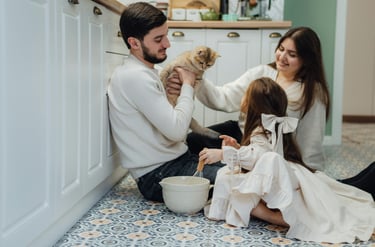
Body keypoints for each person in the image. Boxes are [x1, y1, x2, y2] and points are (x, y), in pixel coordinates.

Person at [167, 26, 375, 197]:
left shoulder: (312, 92)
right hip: (244, 135)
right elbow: (223, 98)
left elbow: (310, 140)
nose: (282, 57)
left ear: (306, 60)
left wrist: (310, 174)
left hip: (275, 149)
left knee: (331, 190)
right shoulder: (262, 72)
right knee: (195, 140)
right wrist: (195, 77)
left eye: (291, 54)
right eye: (281, 48)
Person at [199, 77, 375, 243]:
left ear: (253, 104)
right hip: (287, 172)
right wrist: (237, 148)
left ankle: (275, 216)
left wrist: (223, 154)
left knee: (229, 179)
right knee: (233, 177)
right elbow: (258, 152)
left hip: (281, 174)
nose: (242, 98)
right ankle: (268, 212)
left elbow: (260, 156)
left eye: (246, 94)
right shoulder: (269, 127)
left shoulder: (262, 129)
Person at [107, 2, 225, 202]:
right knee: (244, 179)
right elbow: (178, 130)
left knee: (238, 160)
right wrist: (187, 85)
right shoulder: (135, 77)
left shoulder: (148, 73)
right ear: (134, 43)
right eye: (158, 39)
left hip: (175, 159)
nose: (167, 44)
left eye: (166, 35)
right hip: (158, 175)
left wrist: (178, 91)